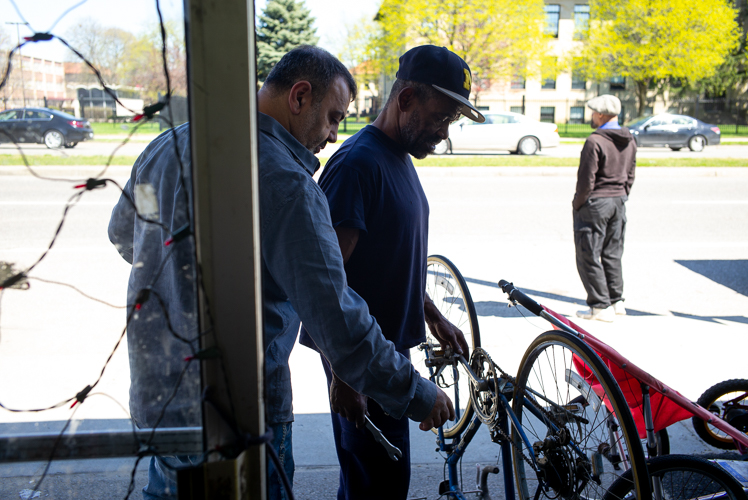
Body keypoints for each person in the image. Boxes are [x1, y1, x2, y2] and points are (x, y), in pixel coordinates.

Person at [108, 45, 455, 500]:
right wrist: (414, 393)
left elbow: (124, 235)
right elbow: (337, 318)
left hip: (161, 404)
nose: (332, 135)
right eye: (332, 117)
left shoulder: (165, 149)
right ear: (299, 96)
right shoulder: (286, 185)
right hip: (243, 421)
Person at [298, 45, 483, 500]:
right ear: (405, 100)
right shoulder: (358, 164)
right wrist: (344, 376)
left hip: (387, 358)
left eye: (452, 122)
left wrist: (432, 314)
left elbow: (392, 255)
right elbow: (327, 285)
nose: (443, 133)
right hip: (364, 368)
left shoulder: (397, 157)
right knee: (375, 489)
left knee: (378, 486)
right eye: (440, 118)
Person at [573, 94, 637, 322]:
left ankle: (599, 305)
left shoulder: (595, 141)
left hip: (596, 202)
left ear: (600, 114)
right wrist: (623, 193)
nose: (591, 116)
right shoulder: (629, 138)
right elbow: (631, 172)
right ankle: (616, 301)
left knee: (588, 253)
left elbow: (586, 179)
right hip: (618, 200)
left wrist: (578, 203)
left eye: (593, 112)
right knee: (612, 252)